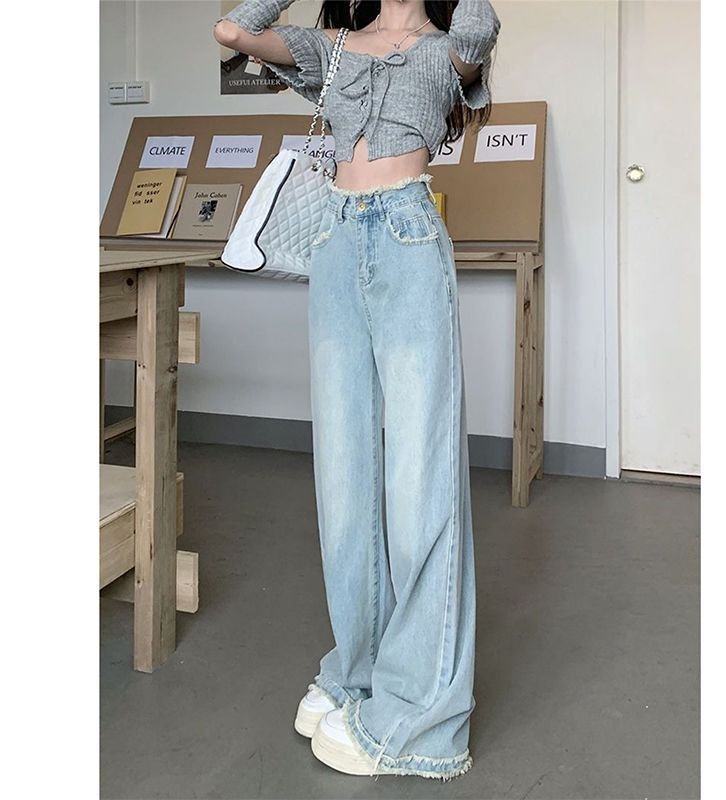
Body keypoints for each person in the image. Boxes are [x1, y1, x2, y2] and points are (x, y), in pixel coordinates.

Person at [213, 0, 500, 781]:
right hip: (335, 242)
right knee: (343, 480)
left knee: (419, 483)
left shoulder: (450, 48)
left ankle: (422, 717)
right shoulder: (332, 46)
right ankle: (358, 672)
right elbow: (233, 32)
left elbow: (478, 30)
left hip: (408, 237)